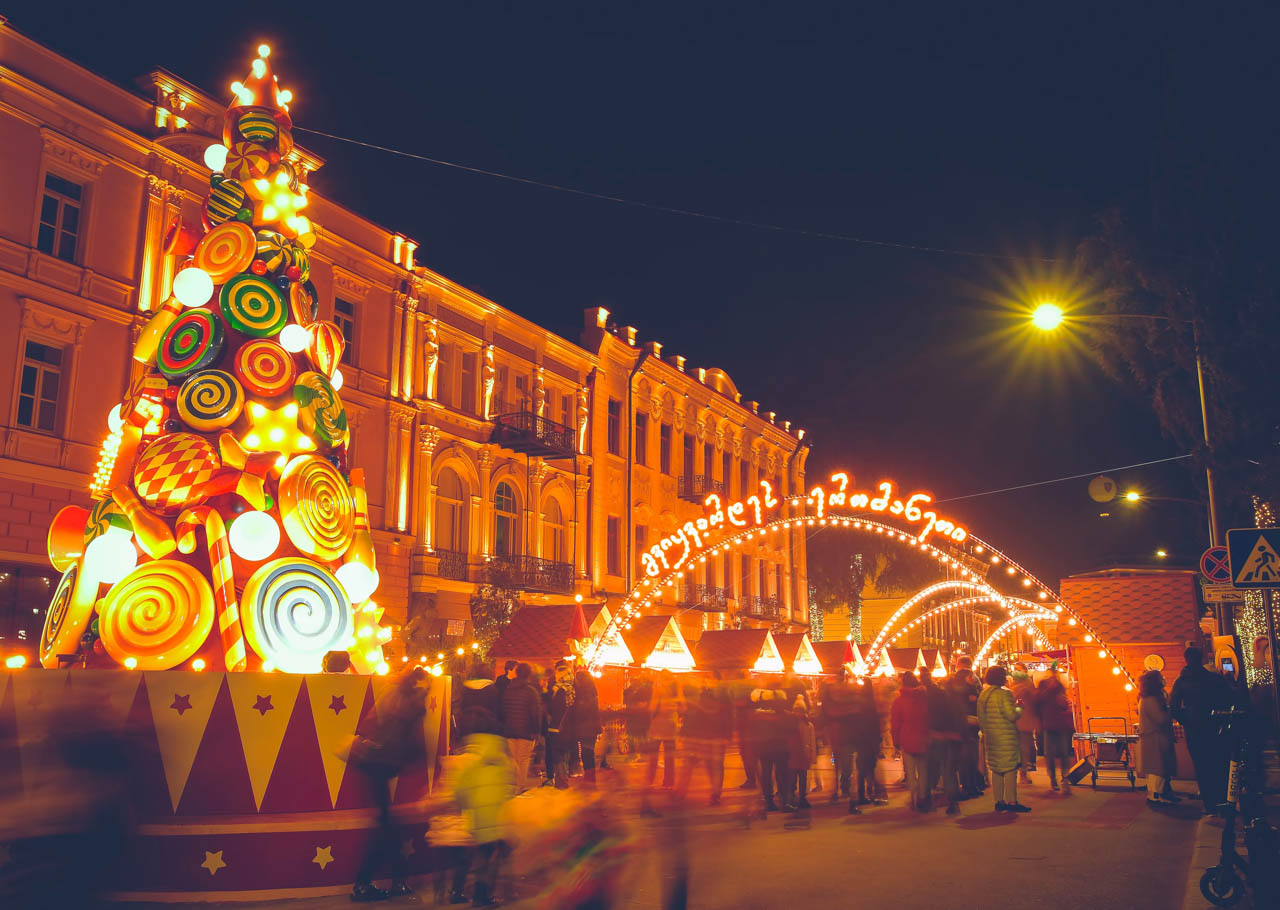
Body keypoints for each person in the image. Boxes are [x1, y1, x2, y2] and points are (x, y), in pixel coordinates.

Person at [350, 667, 427, 901]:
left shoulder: (393, 695)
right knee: (387, 829)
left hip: (377, 765)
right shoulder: (410, 706)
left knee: (388, 828)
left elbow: (374, 720)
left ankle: (392, 882)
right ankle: (365, 884)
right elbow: (412, 745)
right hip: (383, 766)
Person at [451, 730, 516, 906]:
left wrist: (463, 806)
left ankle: (477, 895)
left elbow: (460, 790)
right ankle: (483, 896)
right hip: (497, 819)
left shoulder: (473, 765)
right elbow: (509, 789)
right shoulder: (503, 764)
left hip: (478, 820)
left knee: (481, 858)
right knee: (491, 859)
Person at [1170, 646, 1234, 813]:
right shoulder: (1214, 679)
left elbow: (1174, 708)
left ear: (1186, 660)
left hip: (1194, 730)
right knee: (1218, 764)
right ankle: (1222, 801)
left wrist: (1188, 719)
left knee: (1202, 767)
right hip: (1214, 727)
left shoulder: (1181, 682)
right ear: (1201, 659)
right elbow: (1228, 700)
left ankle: (1210, 804)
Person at [978, 665, 1030, 813]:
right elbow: (1011, 715)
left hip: (991, 737)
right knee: (1010, 769)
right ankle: (1012, 801)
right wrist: (1019, 707)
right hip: (1006, 737)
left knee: (996, 770)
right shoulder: (1005, 694)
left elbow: (981, 719)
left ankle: (998, 801)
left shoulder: (983, 695)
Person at [927, 665, 966, 815]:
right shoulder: (957, 701)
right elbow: (961, 719)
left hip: (940, 736)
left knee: (938, 768)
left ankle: (931, 798)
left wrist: (933, 732)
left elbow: (932, 716)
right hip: (954, 737)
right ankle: (953, 801)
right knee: (950, 770)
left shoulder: (937, 698)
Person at [890, 672, 931, 811]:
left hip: (906, 739)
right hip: (924, 738)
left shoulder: (899, 701)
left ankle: (913, 795)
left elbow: (895, 724)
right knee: (923, 770)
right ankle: (922, 797)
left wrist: (895, 742)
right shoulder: (925, 699)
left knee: (910, 771)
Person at [501, 662, 543, 792]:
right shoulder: (531, 692)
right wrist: (537, 732)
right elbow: (535, 714)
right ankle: (519, 787)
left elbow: (503, 711)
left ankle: (512, 785)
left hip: (509, 730)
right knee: (523, 760)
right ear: (529, 675)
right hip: (526, 732)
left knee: (512, 760)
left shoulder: (508, 689)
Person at [1033, 664, 1075, 793]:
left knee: (1063, 753)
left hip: (1060, 724)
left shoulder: (1060, 687)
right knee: (1049, 754)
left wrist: (1064, 703)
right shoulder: (1043, 685)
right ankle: (1053, 780)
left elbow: (1063, 704)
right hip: (1048, 724)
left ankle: (1065, 779)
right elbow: (1037, 702)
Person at [1138, 669, 1179, 805]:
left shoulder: (1151, 697)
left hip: (1156, 738)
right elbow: (1160, 718)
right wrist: (1170, 711)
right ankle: (1156, 796)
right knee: (1158, 769)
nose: (1163, 679)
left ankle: (1162, 793)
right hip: (1155, 739)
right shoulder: (1150, 700)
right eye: (1161, 677)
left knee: (1160, 768)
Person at [819, 669, 859, 805]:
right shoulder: (850, 697)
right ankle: (843, 787)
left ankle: (838, 788)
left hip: (837, 735)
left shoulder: (831, 698)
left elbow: (825, 715)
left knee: (838, 763)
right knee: (844, 763)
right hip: (844, 735)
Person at [948, 658, 984, 798]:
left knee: (964, 758)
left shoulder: (953, 684)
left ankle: (968, 786)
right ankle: (972, 785)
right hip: (971, 723)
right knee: (971, 757)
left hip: (959, 723)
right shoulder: (972, 684)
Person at [851, 677, 883, 808]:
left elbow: (855, 722)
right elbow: (876, 724)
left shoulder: (859, 703)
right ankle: (871, 792)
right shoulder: (873, 704)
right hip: (871, 740)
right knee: (871, 767)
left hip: (861, 740)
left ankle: (861, 793)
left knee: (862, 768)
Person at [569, 669, 603, 787]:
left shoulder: (580, 694)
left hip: (583, 727)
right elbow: (595, 711)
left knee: (585, 753)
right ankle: (590, 778)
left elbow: (581, 711)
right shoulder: (593, 692)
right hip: (591, 728)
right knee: (588, 753)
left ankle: (589, 778)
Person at [546, 660, 575, 789]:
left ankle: (562, 781)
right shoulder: (574, 686)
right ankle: (566, 777)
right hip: (569, 726)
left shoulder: (560, 689)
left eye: (557, 672)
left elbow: (554, 709)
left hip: (557, 725)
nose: (555, 675)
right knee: (565, 752)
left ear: (560, 672)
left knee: (557, 753)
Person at [1009, 662, 1039, 786]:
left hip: (1023, 721)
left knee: (1023, 749)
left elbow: (1023, 702)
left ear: (1025, 671)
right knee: (1019, 749)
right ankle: (1022, 773)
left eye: (1018, 669)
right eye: (1015, 669)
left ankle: (1023, 774)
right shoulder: (1015, 685)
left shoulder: (1027, 686)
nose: (1016, 671)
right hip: (1016, 721)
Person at [789, 696, 817, 810]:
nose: (798, 713)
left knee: (803, 778)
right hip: (794, 755)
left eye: (800, 711)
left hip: (803, 755)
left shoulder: (808, 725)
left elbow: (812, 742)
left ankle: (801, 797)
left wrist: (812, 756)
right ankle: (795, 797)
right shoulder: (791, 724)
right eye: (796, 711)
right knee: (794, 778)